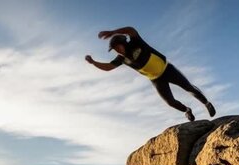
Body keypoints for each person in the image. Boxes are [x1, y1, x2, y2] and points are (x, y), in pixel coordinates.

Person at [85, 26, 216, 121]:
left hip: (167, 69)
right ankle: (187, 110)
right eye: (114, 50)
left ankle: (206, 103)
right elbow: (108, 67)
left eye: (117, 47)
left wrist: (114, 32)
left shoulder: (136, 42)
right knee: (170, 102)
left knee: (188, 87)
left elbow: (131, 30)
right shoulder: (121, 59)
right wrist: (93, 62)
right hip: (156, 79)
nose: (116, 51)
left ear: (123, 43)